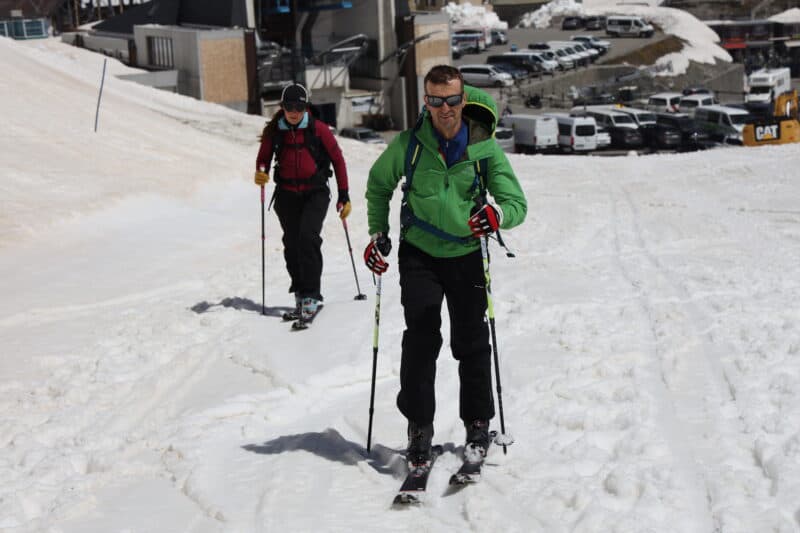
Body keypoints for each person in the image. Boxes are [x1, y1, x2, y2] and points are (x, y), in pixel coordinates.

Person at [363, 65, 527, 465]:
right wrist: (377, 233)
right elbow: (379, 185)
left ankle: (477, 423)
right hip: (419, 254)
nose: (445, 108)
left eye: (453, 100)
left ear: (463, 99)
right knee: (420, 340)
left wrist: (496, 216)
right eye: (436, 101)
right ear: (426, 101)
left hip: (467, 254)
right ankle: (419, 427)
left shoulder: (484, 148)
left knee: (471, 342)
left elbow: (516, 204)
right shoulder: (410, 145)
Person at [255, 83, 350, 320]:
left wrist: (344, 194)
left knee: (308, 238)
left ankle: (312, 295)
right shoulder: (276, 130)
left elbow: (338, 160)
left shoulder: (318, 129)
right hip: (286, 195)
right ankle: (299, 292)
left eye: (299, 106)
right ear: (282, 107)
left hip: (315, 192)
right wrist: (261, 171)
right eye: (289, 106)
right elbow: (263, 159)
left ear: (306, 106)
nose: (294, 111)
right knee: (292, 244)